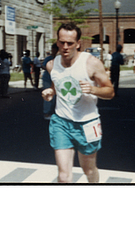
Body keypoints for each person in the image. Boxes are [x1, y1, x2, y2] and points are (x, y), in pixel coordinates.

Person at [42, 23, 114, 183]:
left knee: (88, 170)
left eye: (70, 43)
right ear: (57, 42)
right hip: (61, 122)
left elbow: (110, 91)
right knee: (63, 175)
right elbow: (57, 84)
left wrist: (93, 90)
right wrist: (51, 92)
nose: (65, 47)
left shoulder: (91, 63)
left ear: (78, 43)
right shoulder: (52, 65)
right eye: (61, 42)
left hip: (87, 123)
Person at [42, 43, 58, 120]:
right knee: (48, 96)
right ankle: (46, 113)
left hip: (56, 80)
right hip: (47, 79)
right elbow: (44, 66)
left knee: (55, 98)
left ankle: (53, 112)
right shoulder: (49, 58)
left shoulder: (60, 58)